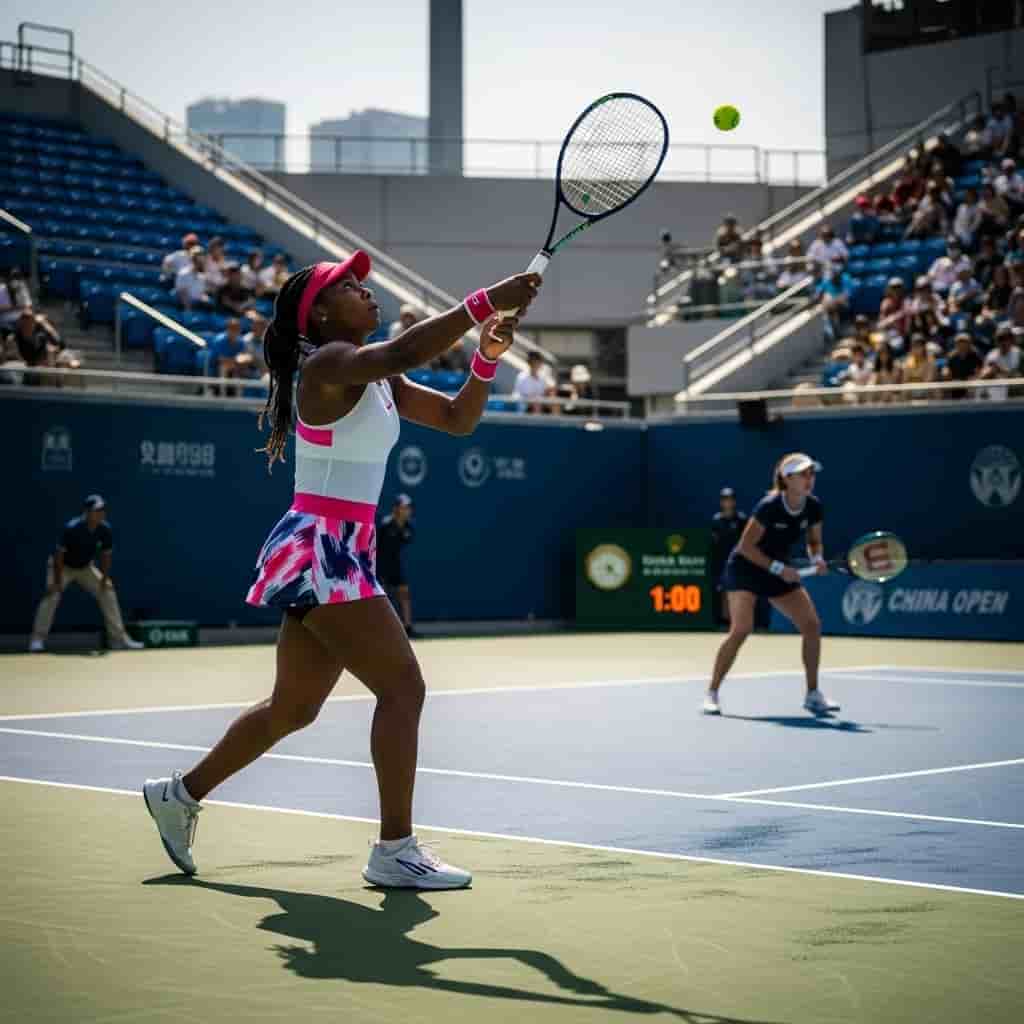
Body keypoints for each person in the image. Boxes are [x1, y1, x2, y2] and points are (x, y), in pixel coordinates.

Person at [141, 253, 540, 889]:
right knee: (403, 688)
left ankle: (178, 794)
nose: (367, 291)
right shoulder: (328, 364)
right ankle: (395, 849)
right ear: (321, 314)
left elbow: (459, 420)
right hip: (322, 546)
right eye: (351, 288)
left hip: (343, 548)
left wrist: (486, 355)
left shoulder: (381, 381)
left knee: (291, 709)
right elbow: (402, 350)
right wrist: (486, 299)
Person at [703, 453, 836, 717]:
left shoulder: (814, 506)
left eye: (812, 473)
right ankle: (712, 692)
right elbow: (745, 546)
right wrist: (779, 569)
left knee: (811, 625)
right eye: (804, 474)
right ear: (787, 479)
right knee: (741, 629)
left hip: (778, 568)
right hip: (745, 568)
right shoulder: (769, 506)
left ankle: (812, 694)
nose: (810, 479)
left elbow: (813, 541)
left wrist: (817, 558)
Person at [29, 495, 144, 653]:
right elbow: (59, 556)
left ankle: (118, 640)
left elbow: (106, 556)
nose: (101, 513)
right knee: (52, 595)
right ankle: (37, 640)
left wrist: (104, 579)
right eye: (97, 510)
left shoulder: (105, 529)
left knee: (108, 592)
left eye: (102, 510)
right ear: (86, 512)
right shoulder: (72, 528)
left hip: (85, 567)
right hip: (62, 567)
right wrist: (56, 582)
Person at [377, 494, 417, 636]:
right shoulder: (385, 525)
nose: (407, 511)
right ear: (396, 509)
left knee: (404, 593)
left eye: (408, 508)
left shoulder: (408, 527)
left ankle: (407, 627)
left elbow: (406, 540)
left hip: (395, 565)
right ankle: (383, 629)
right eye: (404, 508)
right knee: (383, 598)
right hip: (381, 565)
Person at [710, 487, 747, 627]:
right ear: (721, 502)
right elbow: (714, 542)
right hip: (721, 562)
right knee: (724, 592)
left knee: (740, 591)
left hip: (739, 562)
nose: (728, 502)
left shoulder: (742, 519)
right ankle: (724, 621)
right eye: (725, 499)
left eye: (730, 499)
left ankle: (739, 621)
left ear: (734, 502)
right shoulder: (716, 520)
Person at [980, 324, 1023, 401]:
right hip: (997, 387)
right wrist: (989, 372)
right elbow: (983, 375)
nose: (1003, 342)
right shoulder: (992, 354)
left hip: (1015, 388)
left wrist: (1000, 370)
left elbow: (1017, 376)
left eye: (1005, 339)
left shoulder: (1018, 353)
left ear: (1011, 340)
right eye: (1000, 339)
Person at [943, 331, 983, 400]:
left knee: (973, 388)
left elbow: (980, 370)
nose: (962, 345)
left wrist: (974, 378)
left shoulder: (976, 355)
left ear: (969, 344)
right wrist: (946, 373)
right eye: (959, 343)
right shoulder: (951, 356)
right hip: (955, 383)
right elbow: (946, 369)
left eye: (964, 342)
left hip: (971, 383)